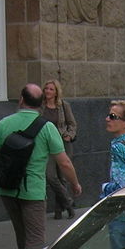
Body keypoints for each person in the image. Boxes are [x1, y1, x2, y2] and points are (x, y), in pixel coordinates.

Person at [0, 83, 83, 249]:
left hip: (6, 189)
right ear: (41, 104)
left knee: (24, 238)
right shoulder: (47, 127)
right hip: (33, 192)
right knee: (36, 241)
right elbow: (63, 161)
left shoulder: (4, 123)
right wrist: (74, 184)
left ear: (21, 100)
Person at [42, 79, 78, 220]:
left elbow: (72, 124)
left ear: (56, 92)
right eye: (46, 88)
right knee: (50, 176)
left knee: (62, 177)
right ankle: (68, 202)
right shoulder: (41, 106)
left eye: (51, 89)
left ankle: (59, 210)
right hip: (47, 145)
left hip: (63, 143)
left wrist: (69, 135)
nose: (48, 91)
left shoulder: (63, 106)